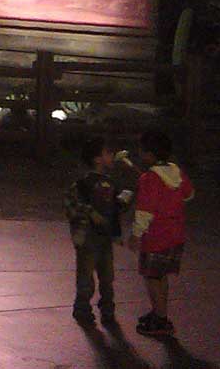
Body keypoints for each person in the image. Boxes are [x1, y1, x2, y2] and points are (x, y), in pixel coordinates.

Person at [126, 129, 195, 337]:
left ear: (149, 154)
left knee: (152, 277)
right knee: (161, 276)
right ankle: (159, 312)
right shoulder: (176, 172)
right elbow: (189, 195)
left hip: (156, 237)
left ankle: (161, 319)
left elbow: (145, 210)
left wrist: (136, 234)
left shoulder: (149, 178)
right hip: (175, 235)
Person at [65, 136, 130, 325]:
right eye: (107, 153)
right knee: (86, 276)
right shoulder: (83, 183)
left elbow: (115, 208)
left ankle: (107, 309)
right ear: (97, 159)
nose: (112, 156)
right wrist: (90, 212)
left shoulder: (110, 183)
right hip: (87, 237)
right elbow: (71, 206)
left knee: (107, 277)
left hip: (104, 237)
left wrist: (125, 199)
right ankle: (82, 308)